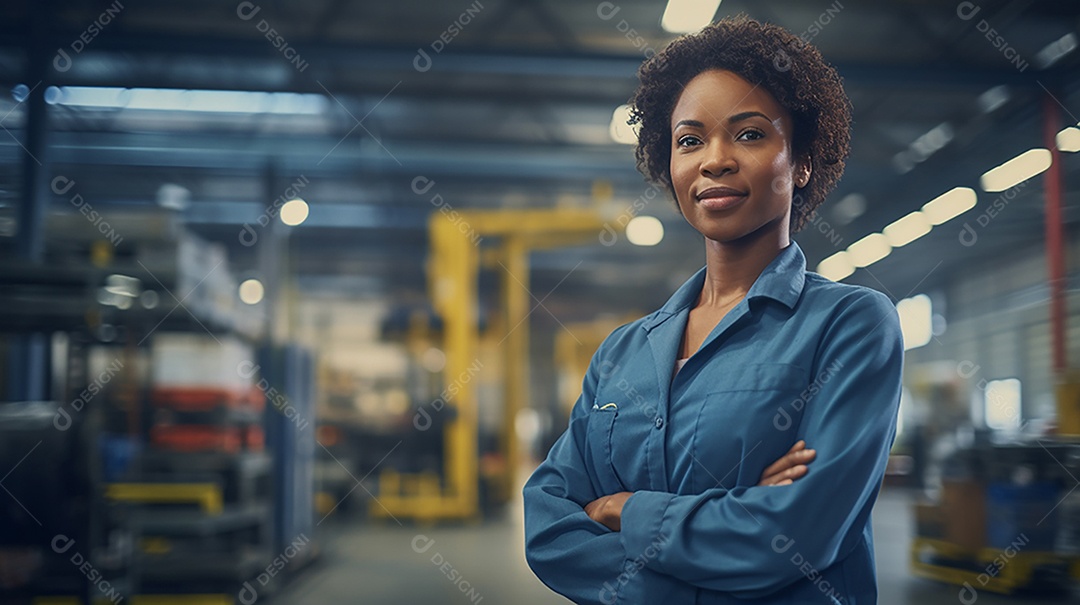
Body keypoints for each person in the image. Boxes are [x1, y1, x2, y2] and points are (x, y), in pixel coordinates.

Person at [523, 15, 903, 605]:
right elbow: (548, 529)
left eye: (749, 134)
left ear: (800, 161)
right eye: (690, 140)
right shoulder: (621, 354)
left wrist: (629, 510)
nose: (714, 160)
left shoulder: (850, 326)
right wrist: (731, 530)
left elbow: (797, 534)